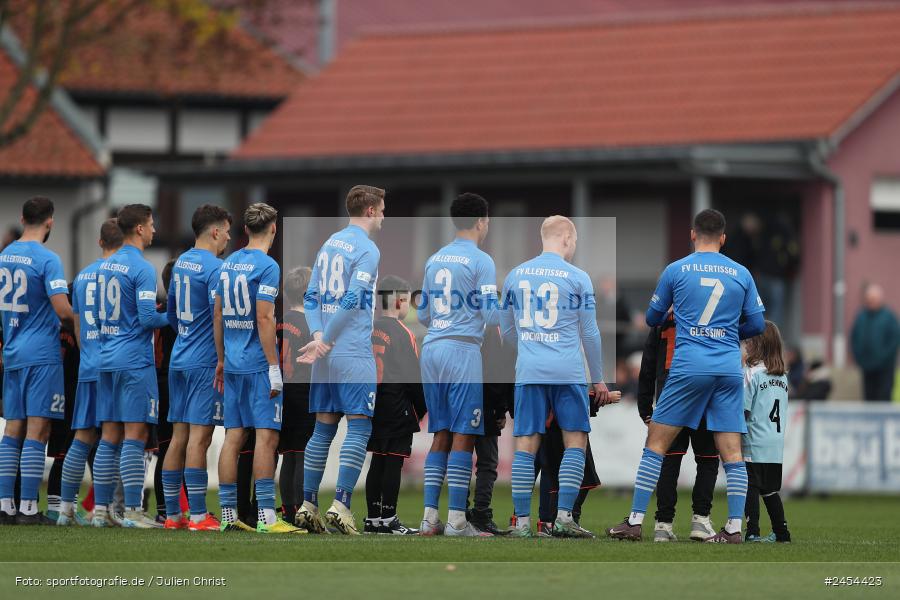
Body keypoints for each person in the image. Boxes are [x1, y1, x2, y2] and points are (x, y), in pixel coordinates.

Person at [607, 208, 765, 544]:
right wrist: (726, 330)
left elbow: (652, 318)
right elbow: (757, 325)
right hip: (726, 369)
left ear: (693, 234)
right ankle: (734, 528)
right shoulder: (741, 273)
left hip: (689, 366)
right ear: (723, 238)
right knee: (731, 452)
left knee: (657, 444)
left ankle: (636, 521)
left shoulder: (676, 269)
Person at [500, 215, 614, 538]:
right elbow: (590, 333)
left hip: (530, 370)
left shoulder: (516, 275)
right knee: (574, 440)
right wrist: (599, 379)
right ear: (566, 238)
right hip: (568, 370)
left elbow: (505, 328)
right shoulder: (578, 278)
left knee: (525, 443)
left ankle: (521, 523)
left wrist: (529, 346)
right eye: (574, 241)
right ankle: (564, 518)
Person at [215, 203, 300, 534]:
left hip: (233, 364)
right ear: (274, 229)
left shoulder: (227, 264)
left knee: (233, 437)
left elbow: (218, 314)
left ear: (246, 230)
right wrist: (273, 366)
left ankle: (227, 515)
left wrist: (221, 359)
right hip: (257, 365)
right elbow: (264, 317)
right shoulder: (268, 266)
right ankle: (266, 516)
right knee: (266, 437)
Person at [416, 192, 498, 538]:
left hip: (432, 349)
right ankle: (457, 521)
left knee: (441, 434)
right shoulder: (482, 261)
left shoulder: (434, 259)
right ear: (482, 222)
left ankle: (429, 518)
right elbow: (492, 314)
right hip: (462, 351)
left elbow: (422, 314)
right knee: (465, 434)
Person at [0, 197, 75, 525]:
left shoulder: (4, 256)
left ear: (22, 217)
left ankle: (5, 506)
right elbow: (62, 309)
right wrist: (83, 324)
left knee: (12, 428)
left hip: (12, 352)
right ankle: (29, 508)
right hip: (42, 354)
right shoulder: (48, 259)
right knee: (38, 428)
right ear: (50, 222)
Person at [95, 204, 170, 528]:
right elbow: (147, 317)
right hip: (133, 361)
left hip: (106, 357)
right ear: (139, 229)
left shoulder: (105, 265)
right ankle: (132, 511)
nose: (154, 230)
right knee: (135, 435)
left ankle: (101, 511)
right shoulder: (142, 268)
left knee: (109, 435)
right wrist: (174, 316)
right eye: (151, 224)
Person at [160, 204, 231, 531]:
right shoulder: (216, 268)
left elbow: (172, 312)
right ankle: (200, 515)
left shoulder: (181, 262)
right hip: (204, 361)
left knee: (178, 437)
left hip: (179, 358)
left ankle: (173, 515)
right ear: (215, 231)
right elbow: (219, 316)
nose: (228, 237)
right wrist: (220, 357)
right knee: (199, 439)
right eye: (227, 231)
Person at [57, 219, 123, 526]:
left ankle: (64, 510)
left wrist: (89, 358)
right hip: (114, 366)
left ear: (100, 242)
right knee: (111, 438)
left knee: (81, 438)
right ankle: (101, 512)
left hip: (88, 364)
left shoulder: (82, 277)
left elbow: (78, 328)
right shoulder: (124, 274)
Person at [637, 311, 718, 542]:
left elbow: (648, 365)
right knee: (708, 460)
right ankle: (700, 520)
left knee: (669, 460)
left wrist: (645, 408)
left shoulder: (662, 322)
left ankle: (663, 524)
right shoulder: (706, 318)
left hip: (670, 397)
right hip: (704, 396)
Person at [364, 275, 424, 535]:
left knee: (377, 460)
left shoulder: (368, 329)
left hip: (373, 404)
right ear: (399, 299)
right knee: (393, 462)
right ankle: (389, 518)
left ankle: (372, 518)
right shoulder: (404, 333)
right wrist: (421, 409)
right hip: (397, 405)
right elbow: (414, 378)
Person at [743, 320, 792, 543]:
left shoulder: (752, 373)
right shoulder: (782, 376)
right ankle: (782, 532)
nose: (746, 343)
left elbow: (744, 410)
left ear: (758, 344)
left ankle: (752, 531)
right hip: (775, 443)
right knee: (770, 489)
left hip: (754, 440)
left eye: (750, 340)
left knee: (750, 486)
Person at [275, 266, 317, 525]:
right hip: (303, 391)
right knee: (302, 452)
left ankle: (289, 510)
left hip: (281, 391)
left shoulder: (280, 320)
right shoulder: (310, 325)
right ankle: (304, 510)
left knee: (288, 453)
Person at [466, 325, 512, 536]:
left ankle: (459, 512)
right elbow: (497, 370)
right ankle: (481, 515)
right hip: (485, 402)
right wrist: (501, 409)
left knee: (461, 457)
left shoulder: (465, 323)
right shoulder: (493, 331)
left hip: (462, 396)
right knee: (488, 462)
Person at [850, 283, 899, 401]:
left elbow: (894, 340)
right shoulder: (861, 316)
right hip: (866, 367)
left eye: (874, 299)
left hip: (885, 368)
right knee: (869, 398)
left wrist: (882, 358)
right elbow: (854, 338)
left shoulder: (889, 317)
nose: (871, 301)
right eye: (869, 299)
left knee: (883, 397)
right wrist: (859, 357)